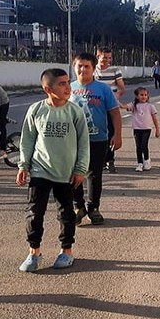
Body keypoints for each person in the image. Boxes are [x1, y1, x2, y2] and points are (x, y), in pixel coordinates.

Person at [16, 68, 89, 272]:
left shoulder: (75, 112)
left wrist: (80, 169)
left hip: (66, 173)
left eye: (68, 82)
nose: (67, 87)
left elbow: (84, 143)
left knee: (66, 213)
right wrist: (23, 165)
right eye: (62, 83)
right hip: (40, 170)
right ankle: (34, 252)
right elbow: (27, 140)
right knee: (34, 212)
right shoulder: (36, 110)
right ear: (48, 88)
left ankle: (66, 251)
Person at [70, 53, 122, 225]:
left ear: (93, 69)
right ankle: (79, 207)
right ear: (74, 67)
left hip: (98, 139)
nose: (83, 69)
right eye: (80, 65)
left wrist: (117, 134)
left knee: (94, 175)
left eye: (87, 66)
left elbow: (115, 112)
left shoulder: (103, 89)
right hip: (74, 140)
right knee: (73, 174)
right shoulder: (68, 88)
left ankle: (93, 208)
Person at [94, 48, 126, 174]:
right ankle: (99, 161)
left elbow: (122, 88)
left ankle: (110, 159)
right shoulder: (92, 70)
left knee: (111, 132)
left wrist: (115, 97)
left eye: (109, 58)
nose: (107, 60)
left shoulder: (114, 70)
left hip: (110, 106)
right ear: (98, 56)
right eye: (104, 57)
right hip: (95, 107)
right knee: (96, 133)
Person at [119, 87, 160, 172]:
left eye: (145, 95)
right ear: (137, 96)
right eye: (141, 95)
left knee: (144, 145)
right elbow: (123, 106)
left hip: (146, 129)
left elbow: (155, 119)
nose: (144, 97)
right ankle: (140, 163)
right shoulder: (134, 105)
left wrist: (157, 129)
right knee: (138, 146)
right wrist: (116, 100)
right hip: (137, 129)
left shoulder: (150, 106)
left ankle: (147, 161)